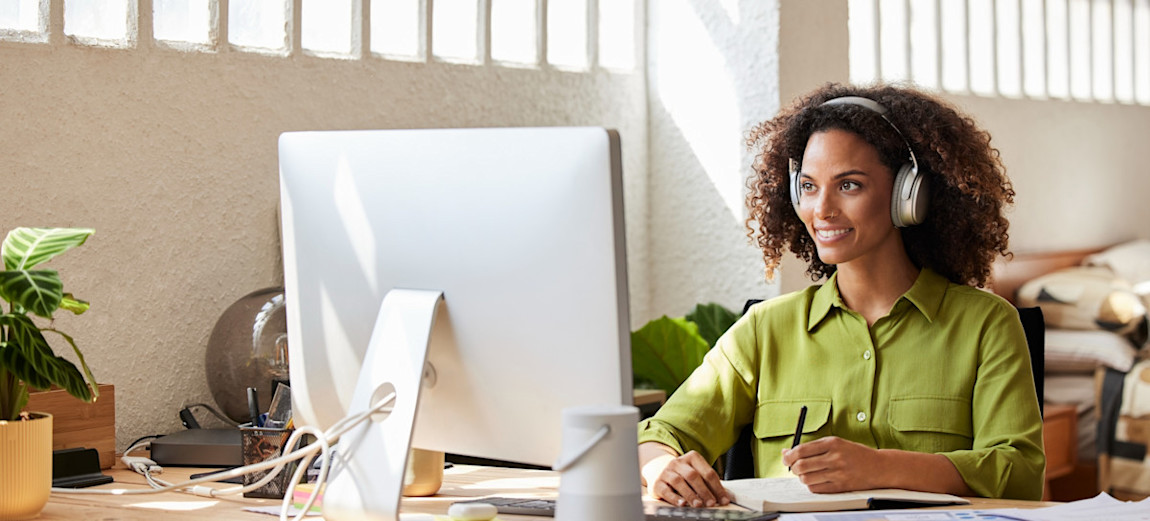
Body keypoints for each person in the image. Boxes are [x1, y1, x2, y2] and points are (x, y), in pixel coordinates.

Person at [636, 82, 1045, 507]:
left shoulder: (986, 324)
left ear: (909, 195)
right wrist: (662, 467)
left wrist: (882, 468)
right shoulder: (765, 330)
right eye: (809, 187)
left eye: (849, 185)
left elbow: (1019, 472)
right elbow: (659, 435)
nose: (822, 209)